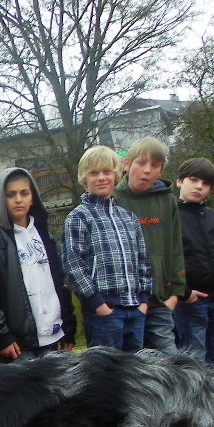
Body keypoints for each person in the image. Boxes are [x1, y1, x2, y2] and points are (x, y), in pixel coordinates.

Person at [0, 167, 75, 362]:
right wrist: (1, 337)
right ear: (0, 199)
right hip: (18, 347)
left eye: (24, 193)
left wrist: (68, 329)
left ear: (33, 197)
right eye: (11, 194)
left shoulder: (45, 237)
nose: (18, 199)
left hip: (54, 337)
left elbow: (60, 284)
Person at [61, 145, 154, 351]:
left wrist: (143, 302)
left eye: (107, 172)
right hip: (103, 314)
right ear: (84, 178)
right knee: (106, 369)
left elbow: (143, 262)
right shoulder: (79, 217)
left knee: (135, 369)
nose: (101, 178)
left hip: (135, 310)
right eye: (94, 173)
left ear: (116, 175)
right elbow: (73, 265)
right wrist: (98, 304)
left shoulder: (128, 218)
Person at [113, 137, 188, 352]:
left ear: (161, 171)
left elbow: (175, 246)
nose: (147, 170)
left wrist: (175, 294)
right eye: (141, 163)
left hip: (159, 302)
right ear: (127, 164)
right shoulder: (113, 199)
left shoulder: (167, 200)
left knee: (171, 361)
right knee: (129, 364)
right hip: (125, 304)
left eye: (154, 165)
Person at [173, 157, 214, 381]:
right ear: (180, 181)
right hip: (191, 301)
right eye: (193, 180)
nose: (199, 186)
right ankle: (197, 403)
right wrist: (184, 292)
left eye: (205, 183)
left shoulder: (213, 218)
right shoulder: (171, 217)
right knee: (195, 362)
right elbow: (168, 259)